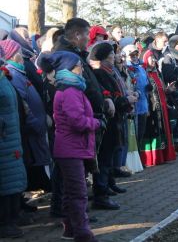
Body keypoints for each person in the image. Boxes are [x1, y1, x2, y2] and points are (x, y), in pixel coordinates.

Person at [52, 18, 116, 210]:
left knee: (77, 171)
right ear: (77, 34)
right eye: (87, 34)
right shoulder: (65, 56)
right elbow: (75, 92)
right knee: (69, 174)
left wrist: (103, 97)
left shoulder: (76, 53)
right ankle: (67, 211)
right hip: (76, 123)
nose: (89, 39)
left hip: (87, 113)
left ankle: (73, 210)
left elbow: (89, 82)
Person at [44, 51, 100, 242]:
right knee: (78, 193)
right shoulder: (70, 92)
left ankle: (70, 229)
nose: (82, 68)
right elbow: (77, 121)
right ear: (69, 69)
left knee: (70, 192)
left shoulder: (71, 89)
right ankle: (82, 233)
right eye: (78, 66)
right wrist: (96, 123)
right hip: (71, 149)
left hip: (71, 148)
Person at [0, 39, 51, 191]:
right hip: (29, 128)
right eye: (18, 52)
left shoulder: (18, 72)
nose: (21, 55)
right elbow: (22, 103)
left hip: (34, 127)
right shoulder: (13, 74)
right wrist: (35, 122)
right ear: (12, 55)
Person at [89, 42, 135, 206]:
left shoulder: (110, 72)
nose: (115, 57)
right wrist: (125, 100)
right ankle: (101, 192)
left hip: (116, 119)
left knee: (109, 155)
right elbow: (109, 97)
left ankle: (108, 184)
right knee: (104, 156)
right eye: (111, 55)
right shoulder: (101, 73)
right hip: (109, 121)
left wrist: (127, 96)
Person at [0, 45, 27, 239]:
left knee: (12, 178)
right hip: (4, 137)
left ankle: (13, 216)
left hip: (11, 136)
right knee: (6, 180)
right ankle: (5, 222)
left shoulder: (3, 76)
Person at [141, 49, 176, 165]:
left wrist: (167, 90)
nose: (154, 60)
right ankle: (153, 158)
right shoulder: (144, 73)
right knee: (153, 130)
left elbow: (160, 90)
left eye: (154, 58)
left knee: (163, 129)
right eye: (151, 58)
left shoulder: (157, 72)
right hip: (151, 107)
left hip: (161, 106)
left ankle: (164, 155)